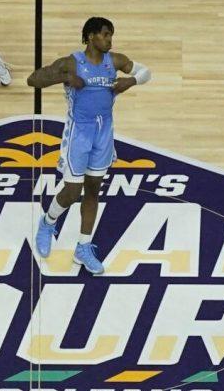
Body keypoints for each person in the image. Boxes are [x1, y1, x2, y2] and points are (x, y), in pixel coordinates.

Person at [28, 17, 151, 275]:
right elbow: (33, 80)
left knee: (93, 189)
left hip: (104, 131)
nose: (109, 40)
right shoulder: (72, 62)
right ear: (91, 36)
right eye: (106, 35)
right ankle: (48, 222)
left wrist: (132, 81)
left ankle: (83, 247)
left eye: (111, 36)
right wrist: (66, 77)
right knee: (72, 191)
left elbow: (145, 72)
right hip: (78, 133)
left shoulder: (114, 61)